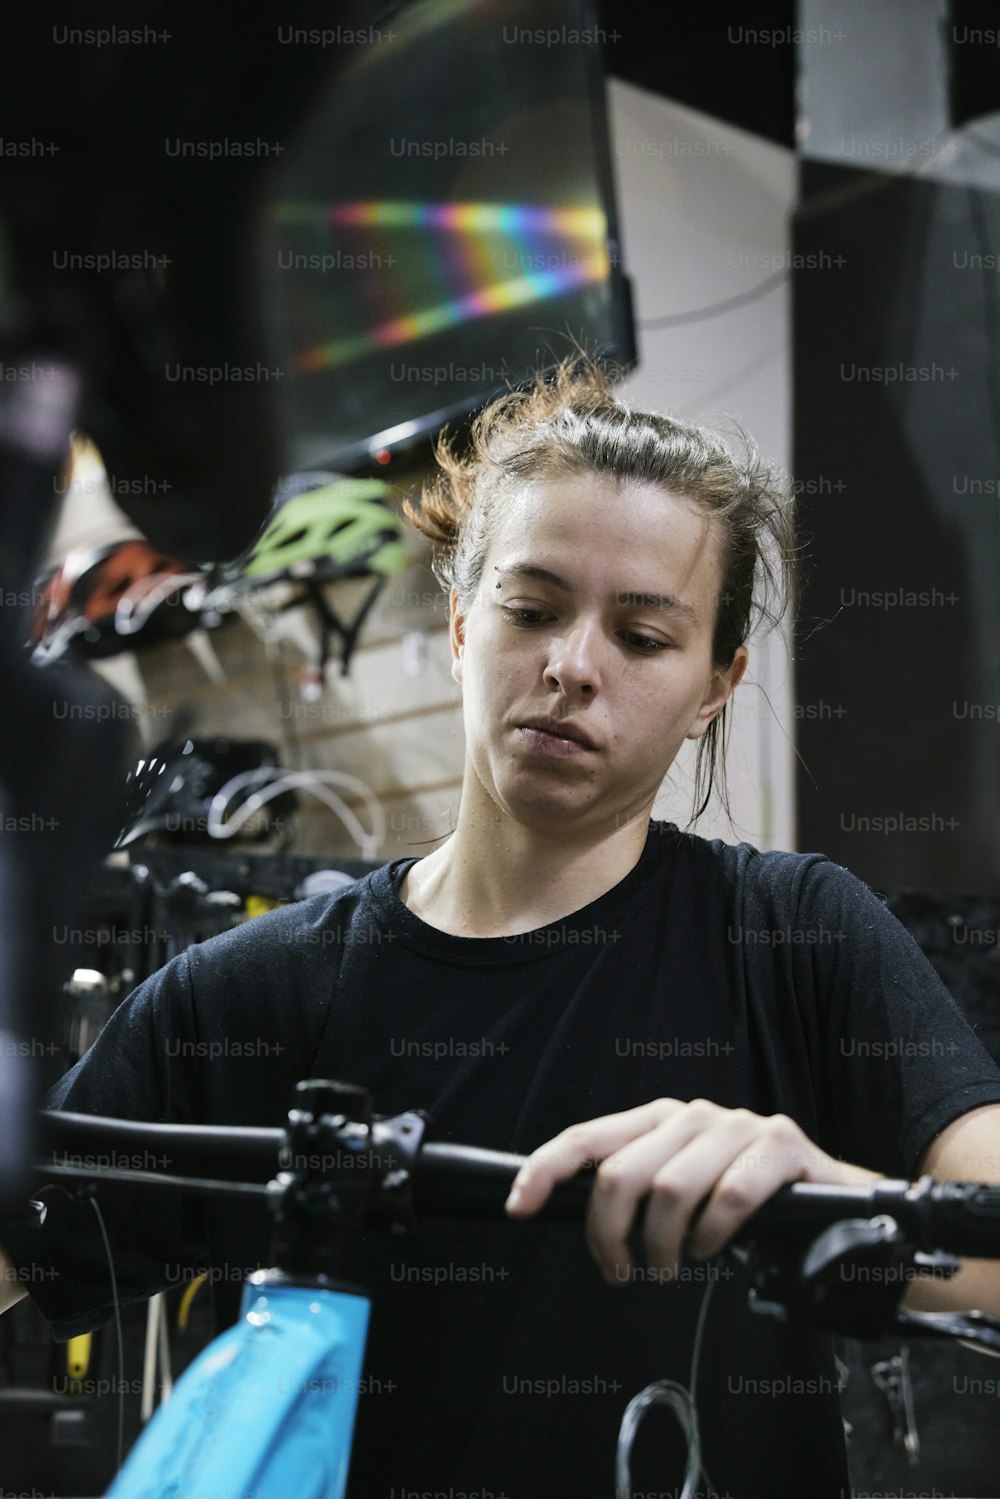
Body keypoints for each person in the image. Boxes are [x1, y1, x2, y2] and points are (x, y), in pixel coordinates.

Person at [3, 354, 1000, 1499]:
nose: (572, 666)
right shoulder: (242, 999)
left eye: (642, 635)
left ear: (714, 685)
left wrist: (834, 1193)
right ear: (465, 625)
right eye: (532, 610)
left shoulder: (792, 934)